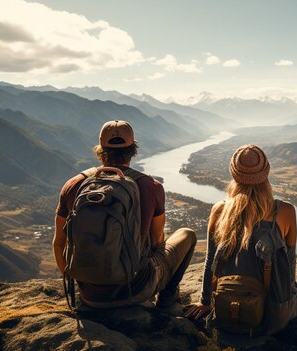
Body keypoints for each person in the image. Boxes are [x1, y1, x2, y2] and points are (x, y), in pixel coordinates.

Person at [53, 120, 196, 308]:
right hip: (135, 290)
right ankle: (168, 301)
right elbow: (156, 242)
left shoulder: (74, 185)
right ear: (133, 150)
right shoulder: (150, 186)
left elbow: (59, 243)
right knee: (187, 234)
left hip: (89, 296)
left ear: (100, 150)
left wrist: (83, 285)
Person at [184, 144, 297, 334]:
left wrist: (205, 302)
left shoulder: (220, 210)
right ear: (266, 173)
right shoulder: (285, 211)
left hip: (226, 306)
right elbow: (289, 264)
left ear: (233, 175)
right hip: (274, 316)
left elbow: (210, 261)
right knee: (296, 288)